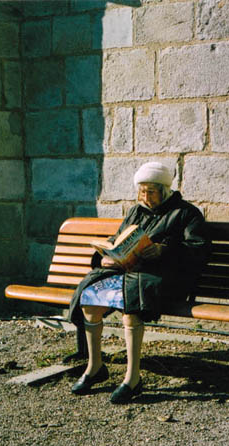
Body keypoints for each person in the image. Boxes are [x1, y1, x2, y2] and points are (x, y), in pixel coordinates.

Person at [67, 161, 210, 404]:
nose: (145, 197)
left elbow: (198, 250)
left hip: (166, 279)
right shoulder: (137, 210)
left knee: (130, 311)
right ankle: (95, 367)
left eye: (151, 192)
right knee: (89, 300)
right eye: (141, 191)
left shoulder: (187, 213)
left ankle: (132, 379)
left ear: (165, 190)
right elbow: (119, 237)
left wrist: (163, 250)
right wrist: (107, 255)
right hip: (131, 275)